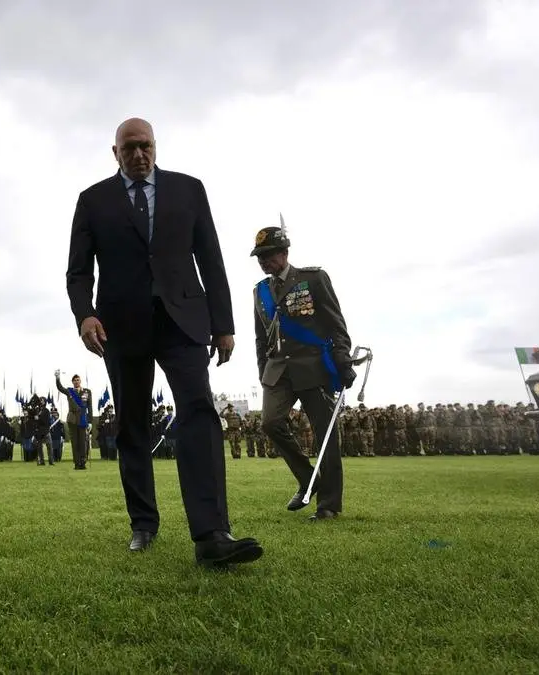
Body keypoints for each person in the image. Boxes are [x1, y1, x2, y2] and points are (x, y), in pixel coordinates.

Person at [64, 117, 262, 568]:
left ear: (156, 147)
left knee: (199, 412)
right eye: (129, 148)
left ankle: (212, 533)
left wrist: (223, 324)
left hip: (183, 321)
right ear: (115, 153)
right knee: (132, 423)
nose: (139, 154)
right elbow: (78, 271)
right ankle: (143, 523)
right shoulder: (93, 200)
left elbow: (210, 258)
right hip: (121, 325)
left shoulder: (189, 190)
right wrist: (85, 315)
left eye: (146, 146)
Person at [250, 224, 355, 520]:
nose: (264, 261)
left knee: (325, 435)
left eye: (269, 255)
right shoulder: (260, 291)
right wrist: (263, 371)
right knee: (270, 423)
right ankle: (309, 478)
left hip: (313, 367)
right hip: (277, 371)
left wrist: (342, 358)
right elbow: (261, 337)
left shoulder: (313, 279)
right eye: (260, 257)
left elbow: (336, 322)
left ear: (285, 253)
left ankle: (328, 505)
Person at [55, 371, 93, 469]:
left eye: (78, 380)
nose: (76, 381)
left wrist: (90, 422)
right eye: (75, 380)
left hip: (83, 419)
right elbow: (60, 388)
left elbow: (90, 407)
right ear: (72, 382)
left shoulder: (87, 392)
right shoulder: (69, 391)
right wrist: (57, 378)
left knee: (83, 442)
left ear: (80, 381)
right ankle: (77, 463)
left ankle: (83, 462)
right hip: (72, 419)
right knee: (75, 443)